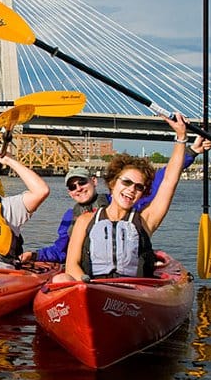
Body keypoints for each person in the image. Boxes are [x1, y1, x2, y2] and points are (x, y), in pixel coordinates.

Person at [22, 134, 211, 264]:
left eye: (82, 182)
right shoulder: (73, 217)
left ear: (94, 181)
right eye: (72, 187)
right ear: (69, 192)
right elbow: (61, 249)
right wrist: (36, 254)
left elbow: (164, 180)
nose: (78, 188)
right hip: (90, 273)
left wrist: (190, 152)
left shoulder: (121, 198)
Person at [55, 112, 189, 282]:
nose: (131, 189)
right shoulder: (84, 220)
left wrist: (181, 137)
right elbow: (72, 264)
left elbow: (170, 181)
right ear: (112, 183)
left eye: (138, 187)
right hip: (93, 287)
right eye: (126, 182)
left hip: (131, 292)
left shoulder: (146, 221)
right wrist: (85, 284)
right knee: (61, 280)